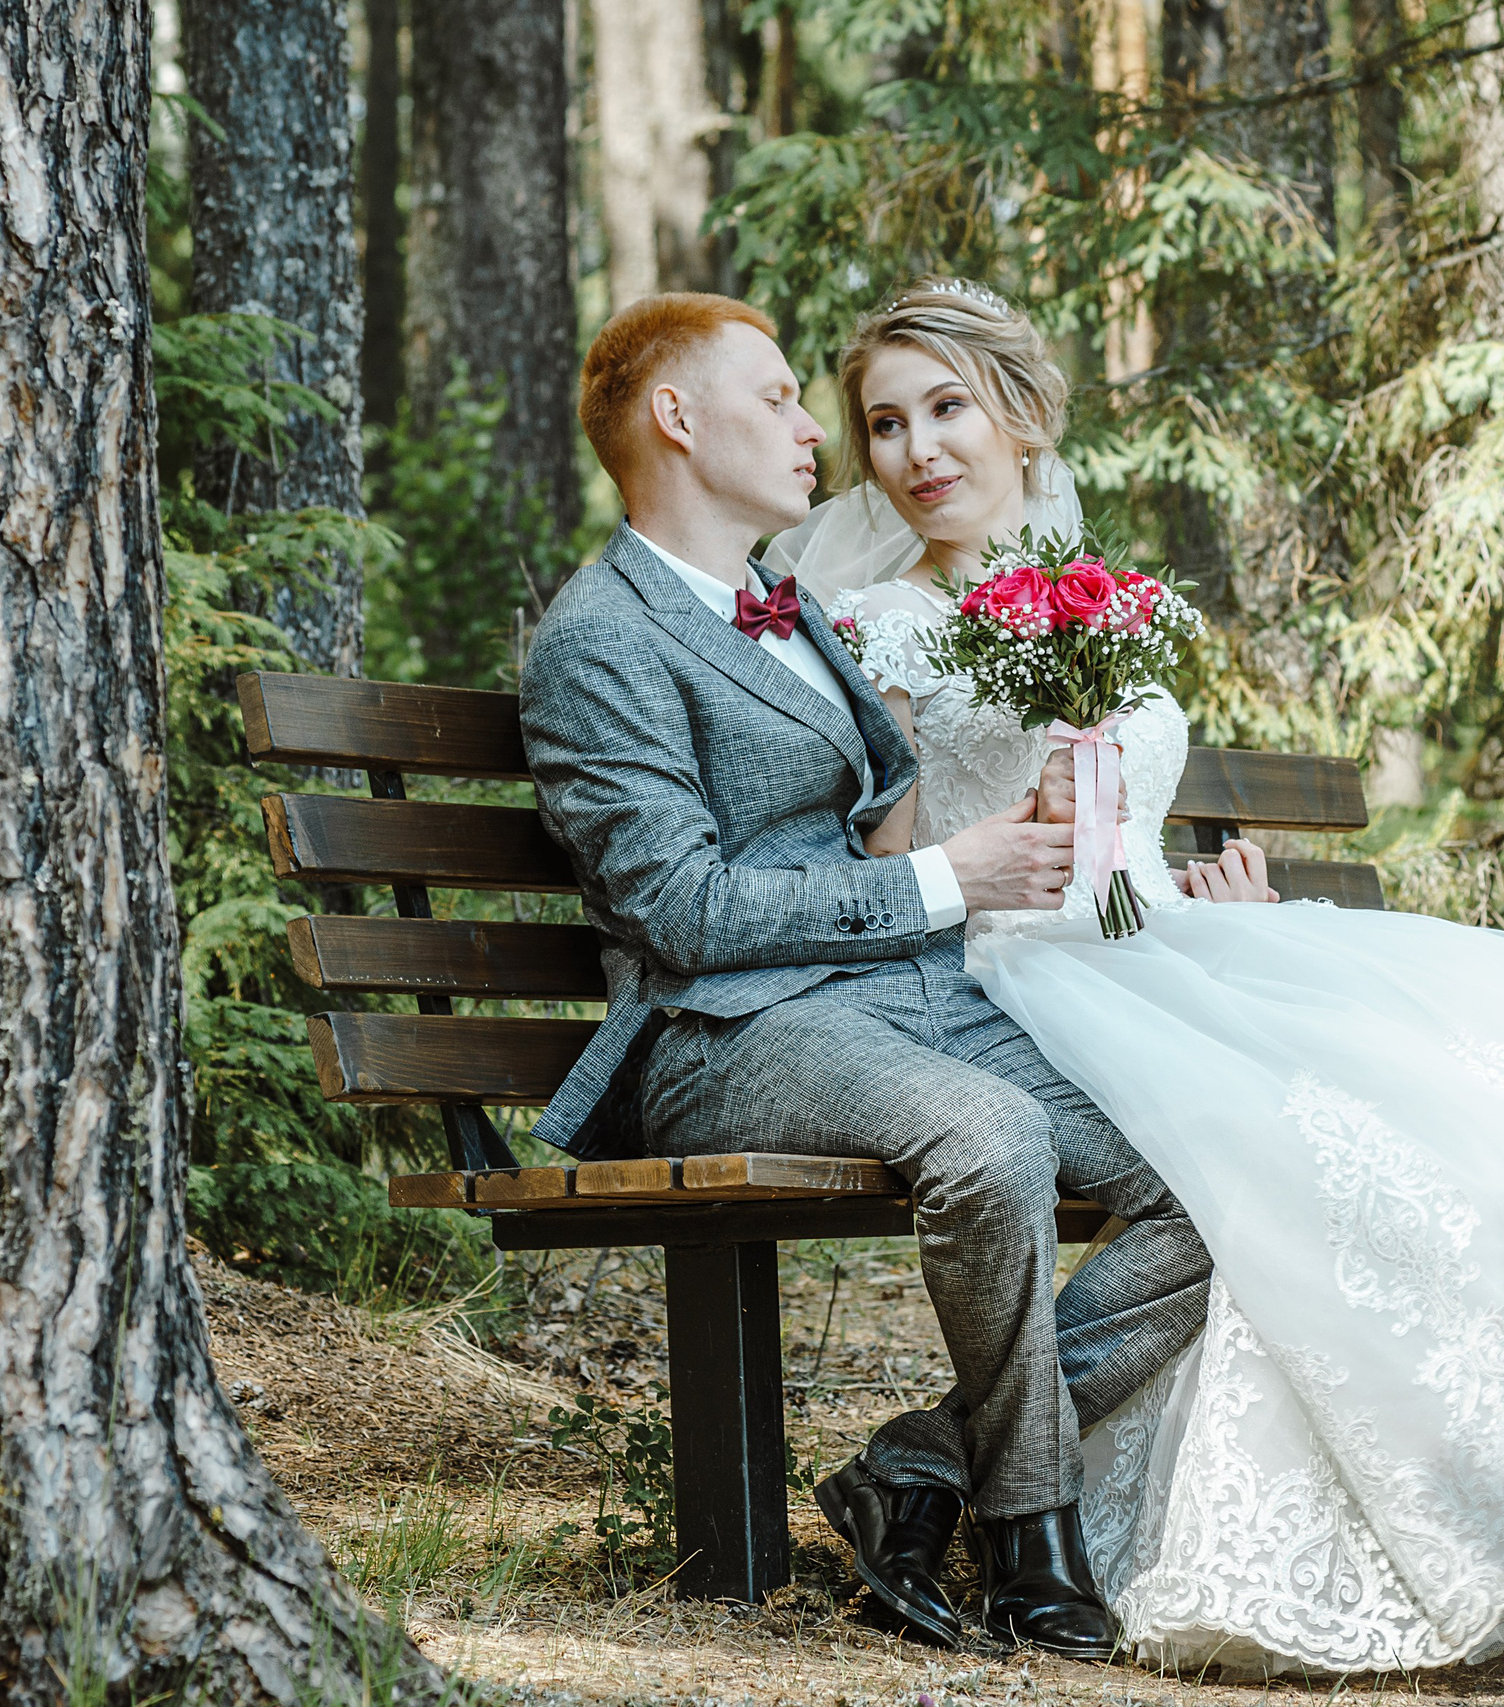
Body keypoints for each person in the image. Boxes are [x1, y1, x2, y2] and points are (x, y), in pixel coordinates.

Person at [764, 276, 1504, 1677]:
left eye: (947, 409)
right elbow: (888, 853)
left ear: (1023, 415)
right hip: (1014, 966)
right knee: (1313, 1151)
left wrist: (1188, 882)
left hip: (1151, 939)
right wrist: (1007, 820)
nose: (919, 450)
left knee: (1489, 1099)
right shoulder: (876, 625)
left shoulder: (1099, 598)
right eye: (884, 423)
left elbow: (1132, 836)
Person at [520, 292, 1214, 1661]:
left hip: (896, 995)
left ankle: (923, 1467)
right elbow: (679, 908)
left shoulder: (796, 613)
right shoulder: (600, 637)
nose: (811, 432)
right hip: (724, 1032)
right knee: (993, 1135)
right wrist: (948, 880)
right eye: (777, 398)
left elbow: (884, 804)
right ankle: (1031, 1540)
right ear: (677, 417)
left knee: (1194, 1176)